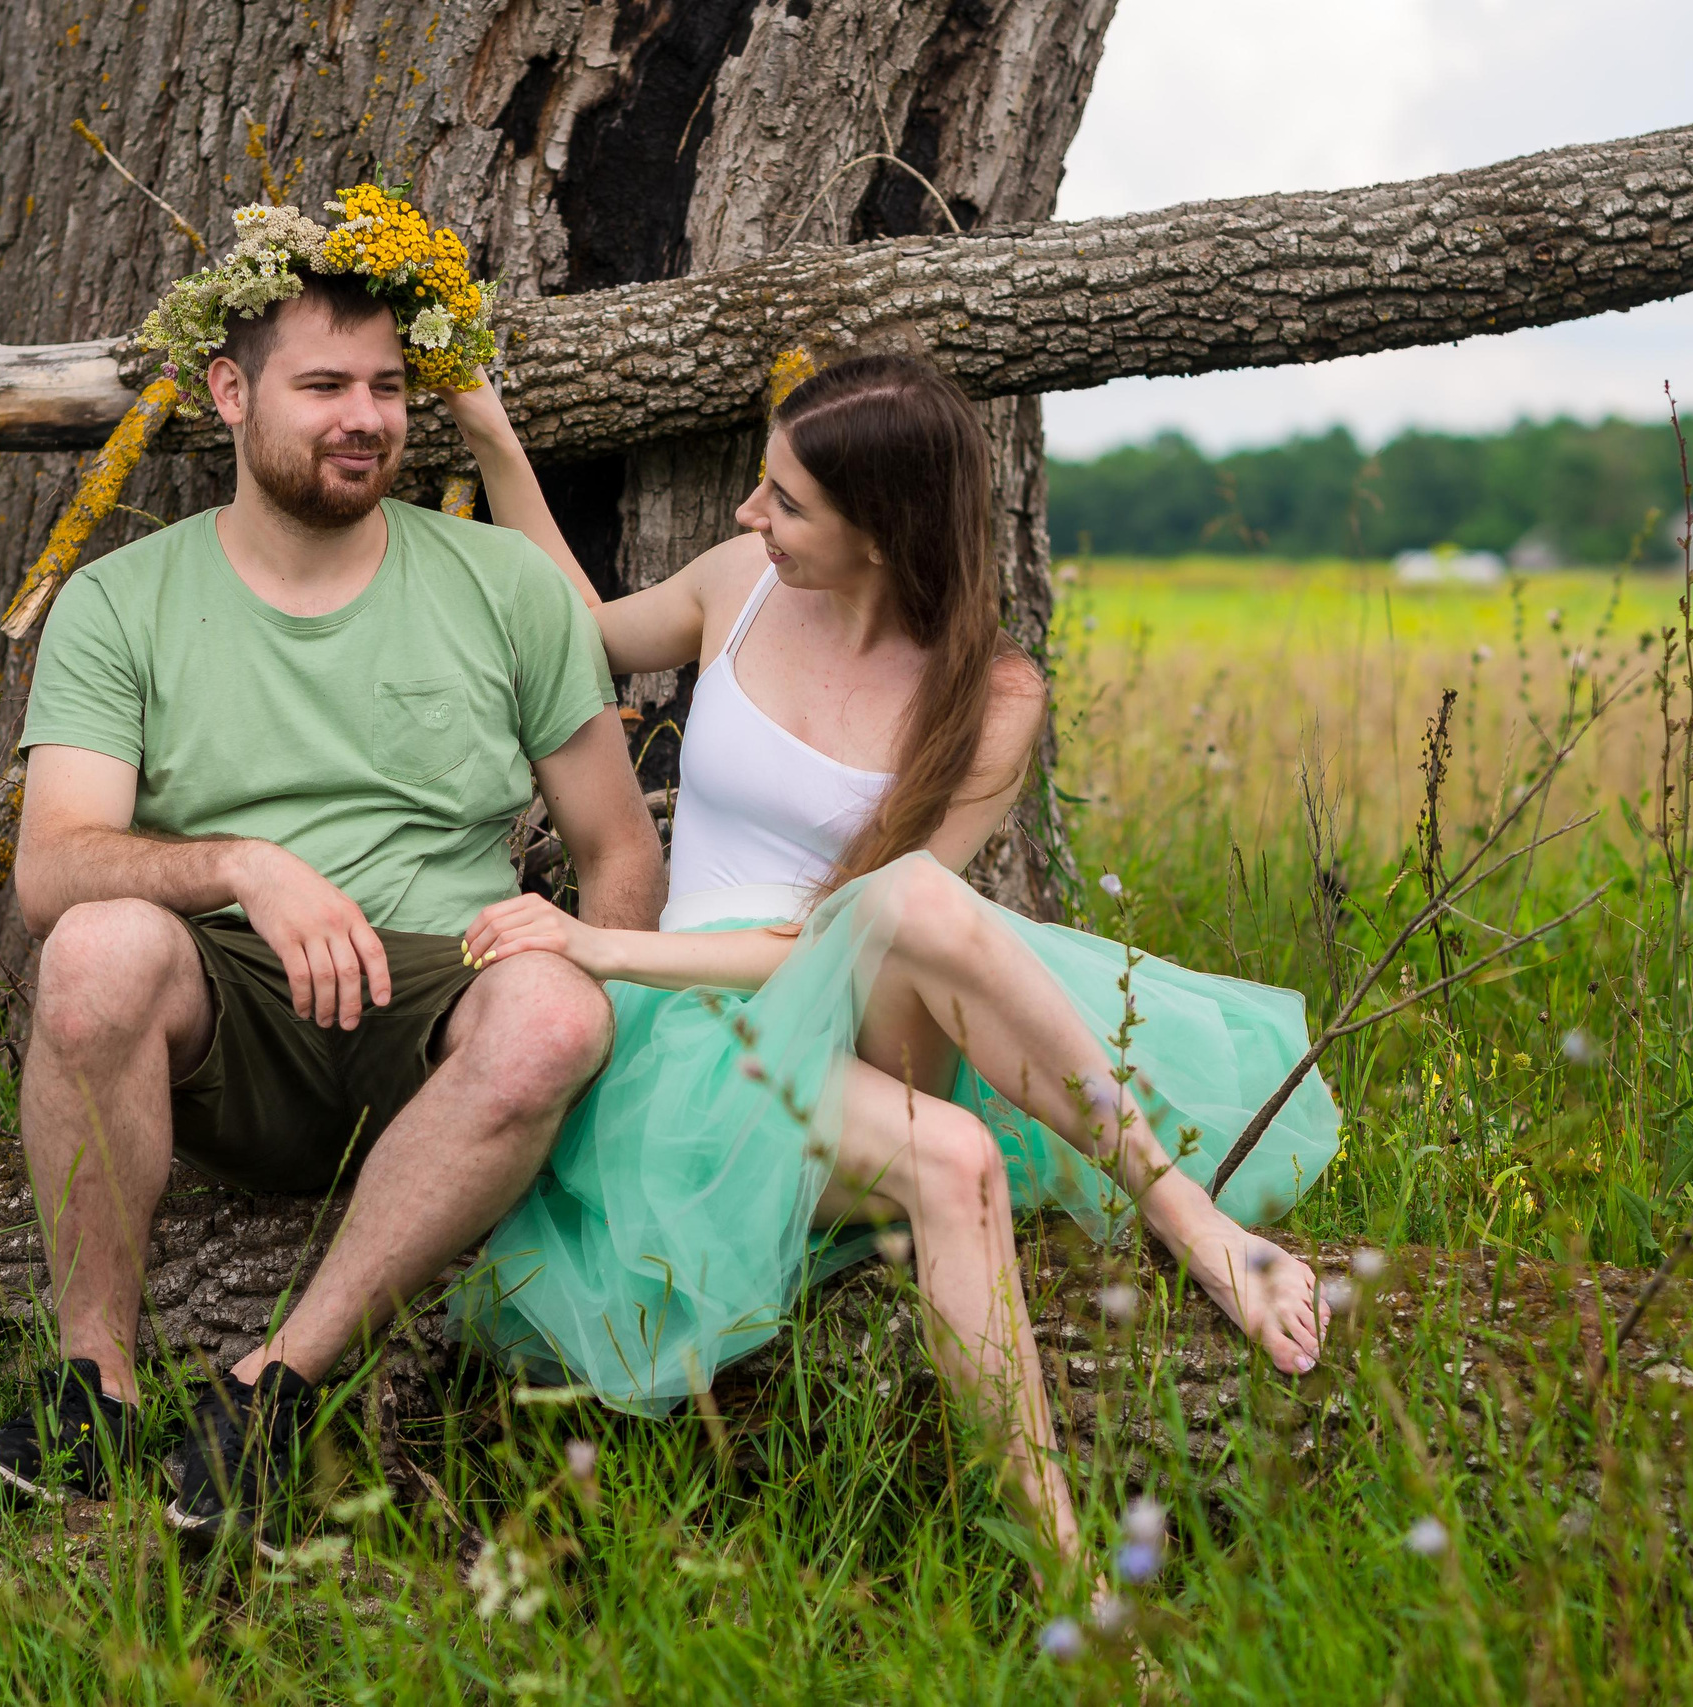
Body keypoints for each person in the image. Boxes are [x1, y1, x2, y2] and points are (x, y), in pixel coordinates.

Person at [436, 353, 1342, 1562]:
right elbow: (583, 628)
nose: (750, 516)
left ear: (881, 533)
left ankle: (1182, 1212)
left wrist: (597, 939)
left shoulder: (992, 697)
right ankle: (1069, 1574)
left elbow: (838, 933)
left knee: (907, 895)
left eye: (786, 502)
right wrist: (493, 439)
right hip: (698, 1031)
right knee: (953, 1157)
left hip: (876, 1002)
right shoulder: (737, 587)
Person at [0, 269, 665, 1544]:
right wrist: (244, 868)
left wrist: (611, 1056)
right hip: (228, 1014)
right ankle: (92, 1391)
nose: (364, 417)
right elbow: (51, 870)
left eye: (386, 387)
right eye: (323, 386)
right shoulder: (121, 600)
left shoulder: (505, 584)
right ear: (230, 393)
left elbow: (616, 849)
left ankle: (267, 1396)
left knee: (555, 1014)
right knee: (97, 949)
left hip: (447, 1011)